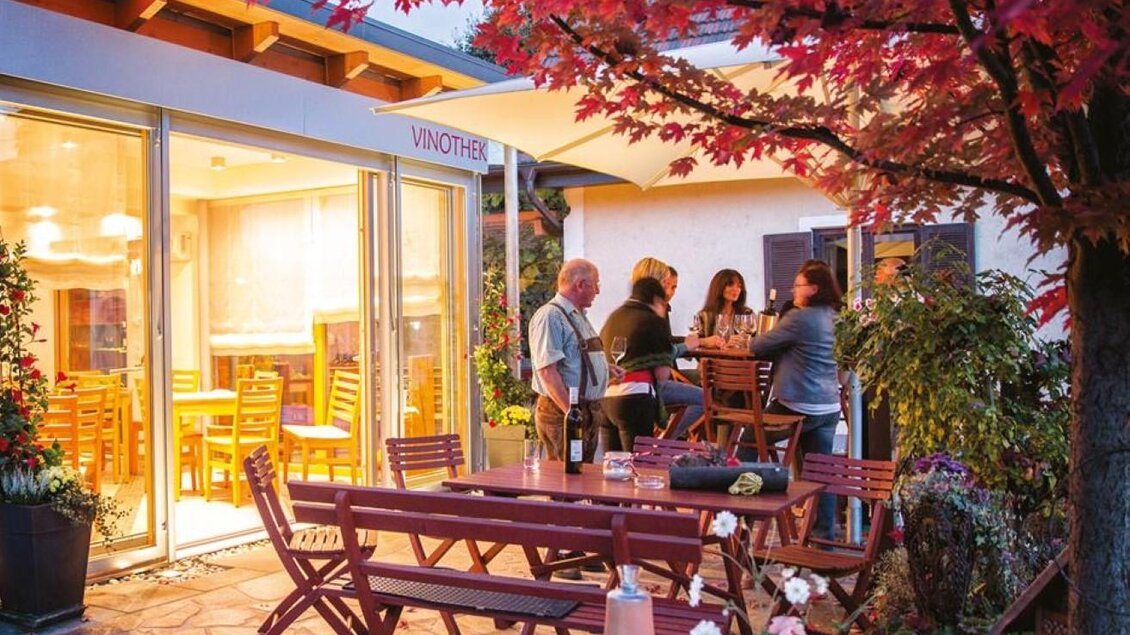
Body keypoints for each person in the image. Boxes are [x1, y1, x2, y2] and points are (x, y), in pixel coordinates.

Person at [746, 264, 843, 541]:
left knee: (751, 439)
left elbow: (757, 346)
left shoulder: (801, 318)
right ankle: (823, 538)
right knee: (819, 473)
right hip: (828, 406)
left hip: (797, 404)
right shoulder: (834, 316)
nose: (793, 290)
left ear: (813, 289)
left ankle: (739, 512)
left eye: (798, 285)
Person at [528, 259, 621, 462]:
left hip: (585, 410)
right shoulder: (551, 316)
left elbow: (575, 357)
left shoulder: (576, 315)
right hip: (562, 411)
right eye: (595, 284)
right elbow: (547, 371)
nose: (598, 291)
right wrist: (571, 413)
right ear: (580, 284)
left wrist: (604, 369)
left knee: (582, 479)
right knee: (565, 481)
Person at [600, 277, 684, 451]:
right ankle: (669, 443)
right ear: (656, 300)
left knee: (613, 465)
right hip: (635, 397)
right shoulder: (653, 321)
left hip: (606, 397)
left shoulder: (613, 317)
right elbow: (662, 373)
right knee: (638, 464)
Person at [697, 269, 753, 346]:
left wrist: (747, 341)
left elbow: (756, 342)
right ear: (719, 287)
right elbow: (694, 345)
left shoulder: (747, 313)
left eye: (739, 286)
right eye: (730, 285)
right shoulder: (704, 315)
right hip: (713, 357)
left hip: (740, 357)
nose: (736, 289)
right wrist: (725, 345)